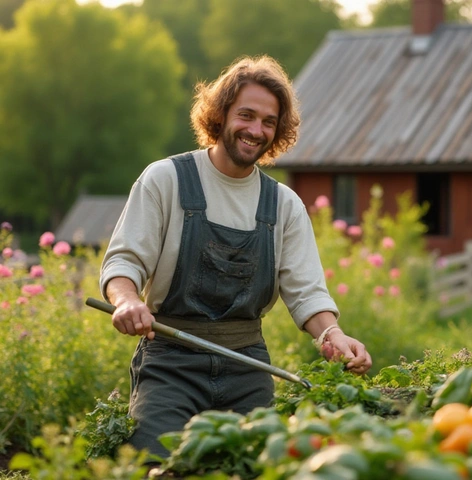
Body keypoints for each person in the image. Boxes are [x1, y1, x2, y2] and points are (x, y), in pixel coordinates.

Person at [99, 54, 372, 458]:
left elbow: (306, 293)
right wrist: (127, 301)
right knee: (154, 460)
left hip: (248, 365)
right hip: (170, 361)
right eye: (246, 115)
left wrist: (333, 335)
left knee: (258, 463)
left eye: (268, 122)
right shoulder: (166, 180)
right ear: (220, 114)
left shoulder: (283, 205)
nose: (256, 130)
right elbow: (124, 263)